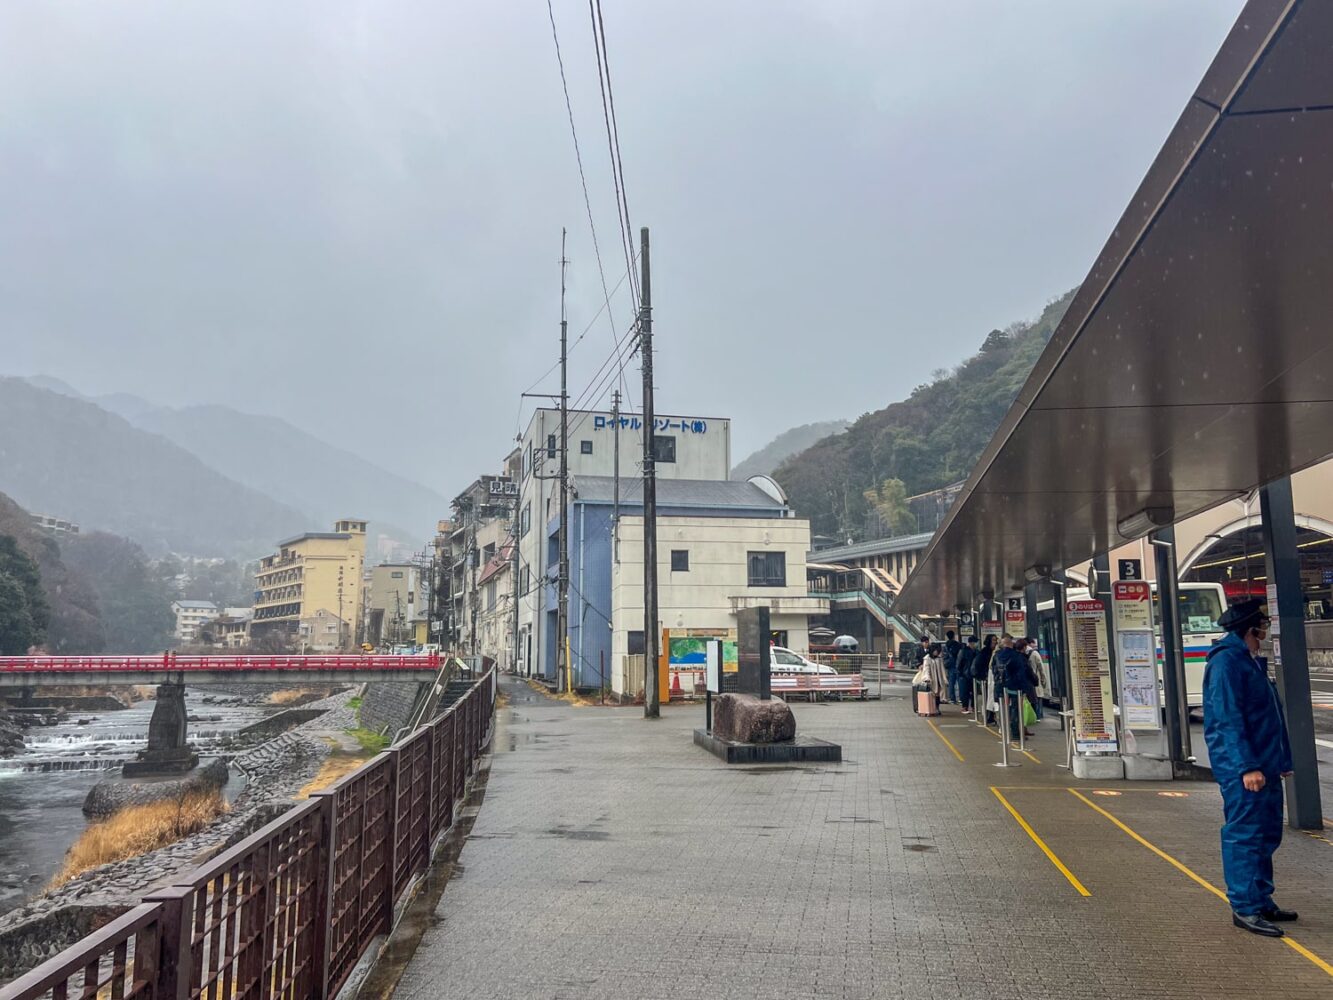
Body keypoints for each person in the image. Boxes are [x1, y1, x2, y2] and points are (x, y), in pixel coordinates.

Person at [1202, 598, 1295, 938]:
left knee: (1267, 833)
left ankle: (1261, 898)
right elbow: (1228, 720)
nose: (1266, 631)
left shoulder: (1250, 661)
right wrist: (1246, 766)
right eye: (1263, 626)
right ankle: (1244, 907)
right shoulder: (1227, 663)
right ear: (1250, 628)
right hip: (1245, 770)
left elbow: (1269, 717)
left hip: (1265, 765)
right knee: (1245, 835)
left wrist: (1281, 761)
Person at [973, 634, 996, 724]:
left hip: (991, 678)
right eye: (993, 640)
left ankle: (990, 716)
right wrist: (984, 676)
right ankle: (989, 716)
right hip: (987, 678)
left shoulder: (993, 651)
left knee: (990, 697)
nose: (995, 642)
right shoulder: (985, 652)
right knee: (988, 697)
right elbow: (979, 665)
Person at [1024, 636, 1046, 721]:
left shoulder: (1020, 653)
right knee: (1038, 699)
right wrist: (1044, 681)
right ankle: (1037, 716)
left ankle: (1030, 716)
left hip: (1026, 681)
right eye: (1033, 643)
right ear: (1029, 643)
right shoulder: (1035, 653)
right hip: (1035, 680)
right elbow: (1041, 668)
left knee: (1029, 699)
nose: (1034, 645)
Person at [956, 635, 978, 711]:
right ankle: (964, 707)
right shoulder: (963, 651)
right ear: (971, 643)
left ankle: (973, 706)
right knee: (965, 692)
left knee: (974, 691)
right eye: (975, 642)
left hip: (973, 675)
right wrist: (960, 673)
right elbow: (959, 663)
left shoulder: (976, 651)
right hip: (964, 675)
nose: (976, 644)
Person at [943, 630, 963, 706]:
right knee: (960, 683)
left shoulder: (946, 646)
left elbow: (945, 656)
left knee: (951, 683)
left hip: (950, 666)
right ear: (954, 636)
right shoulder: (958, 645)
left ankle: (952, 699)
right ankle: (961, 698)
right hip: (958, 665)